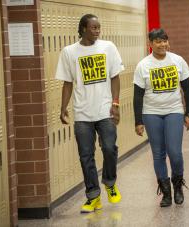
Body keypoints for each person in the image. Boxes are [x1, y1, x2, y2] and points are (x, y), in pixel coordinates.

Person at [55, 14, 124, 213]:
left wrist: (116, 103)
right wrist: (63, 107)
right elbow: (67, 82)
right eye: (93, 28)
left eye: (98, 28)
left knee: (110, 148)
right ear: (83, 28)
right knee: (86, 155)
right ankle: (93, 196)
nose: (97, 31)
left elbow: (115, 77)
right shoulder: (69, 52)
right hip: (82, 113)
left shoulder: (108, 47)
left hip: (105, 110)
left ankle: (109, 182)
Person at [133, 28, 189, 207]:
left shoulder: (177, 60)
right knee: (158, 154)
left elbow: (188, 89)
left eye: (164, 40)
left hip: (174, 110)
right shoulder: (143, 65)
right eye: (158, 41)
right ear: (150, 44)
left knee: (174, 152)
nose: (162, 44)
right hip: (151, 113)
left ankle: (177, 185)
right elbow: (137, 95)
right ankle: (166, 192)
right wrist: (138, 121)